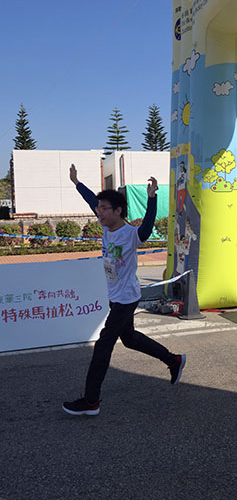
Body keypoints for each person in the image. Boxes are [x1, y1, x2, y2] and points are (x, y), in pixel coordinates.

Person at [62, 164, 186, 416]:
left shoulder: (131, 234)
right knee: (129, 339)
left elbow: (147, 226)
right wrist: (76, 182)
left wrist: (152, 198)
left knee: (103, 345)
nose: (98, 212)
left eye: (103, 208)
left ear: (118, 211)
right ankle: (173, 360)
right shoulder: (105, 226)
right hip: (116, 295)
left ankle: (91, 401)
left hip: (126, 298)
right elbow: (90, 199)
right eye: (98, 209)